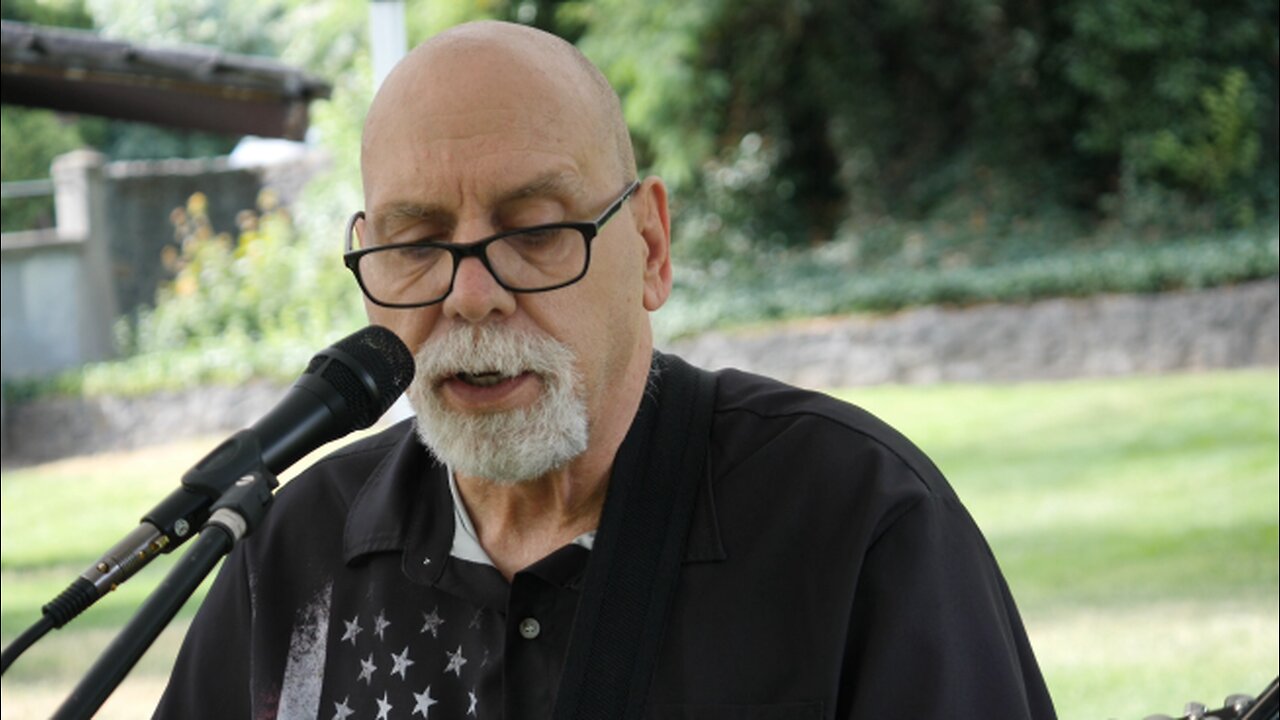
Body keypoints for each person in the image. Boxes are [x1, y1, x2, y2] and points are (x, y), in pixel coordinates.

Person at [155, 20, 1056, 720]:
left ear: (651, 246)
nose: (471, 296)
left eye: (538, 230)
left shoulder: (854, 515)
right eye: (417, 243)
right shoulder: (285, 554)